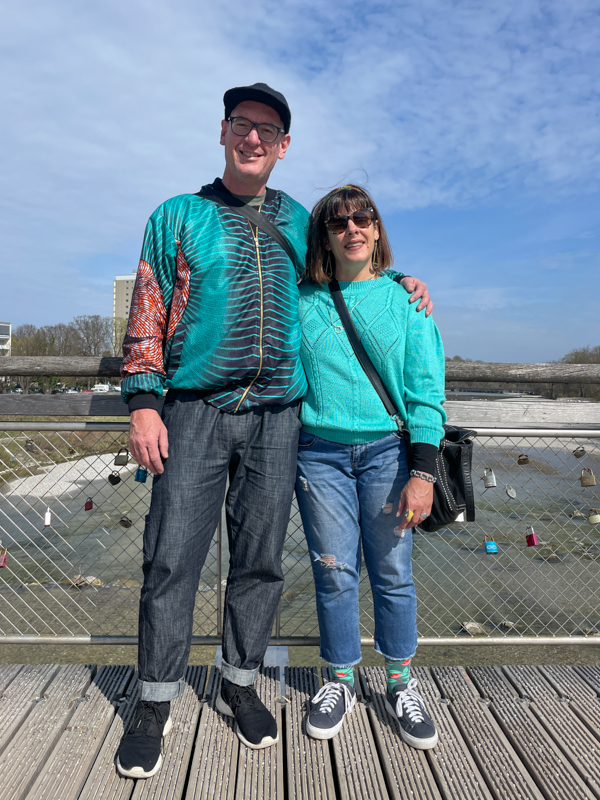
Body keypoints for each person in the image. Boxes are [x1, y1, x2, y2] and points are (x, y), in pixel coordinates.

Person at [116, 84, 433, 779]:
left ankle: (238, 680)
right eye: (242, 124)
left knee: (261, 561)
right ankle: (155, 700)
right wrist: (142, 401)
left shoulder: (298, 220)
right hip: (192, 413)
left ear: (284, 145)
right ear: (224, 132)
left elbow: (350, 274)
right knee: (171, 558)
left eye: (267, 130)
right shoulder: (176, 216)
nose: (253, 137)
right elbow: (148, 308)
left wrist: (403, 280)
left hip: (279, 420)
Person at [296, 185, 445, 749]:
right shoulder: (301, 298)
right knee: (334, 572)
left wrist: (423, 473)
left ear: (377, 230)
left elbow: (427, 391)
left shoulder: (407, 302)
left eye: (363, 219)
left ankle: (401, 682)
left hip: (388, 453)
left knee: (392, 572)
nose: (352, 228)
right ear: (325, 236)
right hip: (318, 454)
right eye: (339, 223)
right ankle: (340, 678)